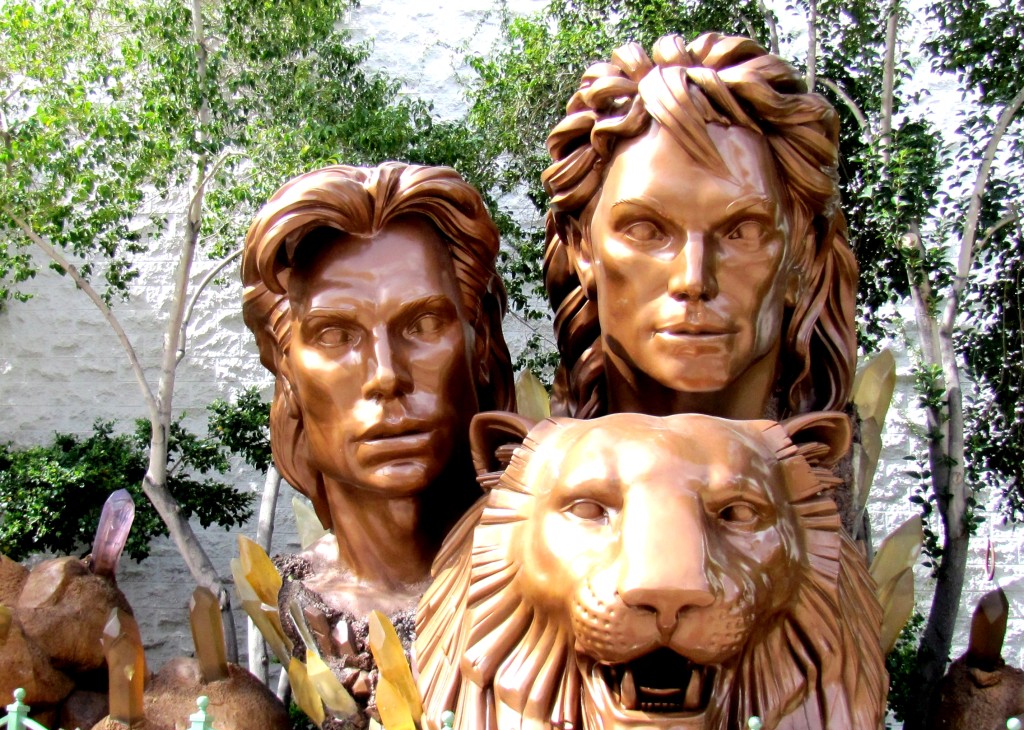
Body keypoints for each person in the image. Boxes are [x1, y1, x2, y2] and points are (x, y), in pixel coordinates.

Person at [242, 162, 514, 615]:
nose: (386, 376)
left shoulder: (569, 572)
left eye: (424, 324)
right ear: (285, 368)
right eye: (335, 335)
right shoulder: (303, 599)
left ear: (480, 340)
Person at [542, 32, 858, 421]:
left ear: (804, 253)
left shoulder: (834, 457)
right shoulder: (521, 471)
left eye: (744, 231)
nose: (693, 280)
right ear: (582, 250)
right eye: (644, 230)